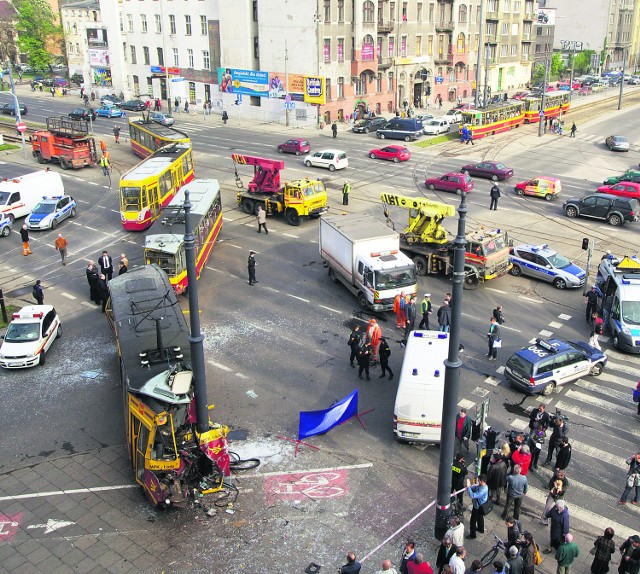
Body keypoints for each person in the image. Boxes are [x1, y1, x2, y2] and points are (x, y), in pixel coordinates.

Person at [466, 475, 488, 539]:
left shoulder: (482, 490)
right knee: (480, 517)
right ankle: (481, 529)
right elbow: (476, 488)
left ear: (481, 481)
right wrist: (471, 487)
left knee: (473, 521)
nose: (478, 482)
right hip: (481, 506)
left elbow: (472, 495)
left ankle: (472, 535)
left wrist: (469, 487)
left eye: (479, 480)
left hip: (477, 506)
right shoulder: (484, 486)